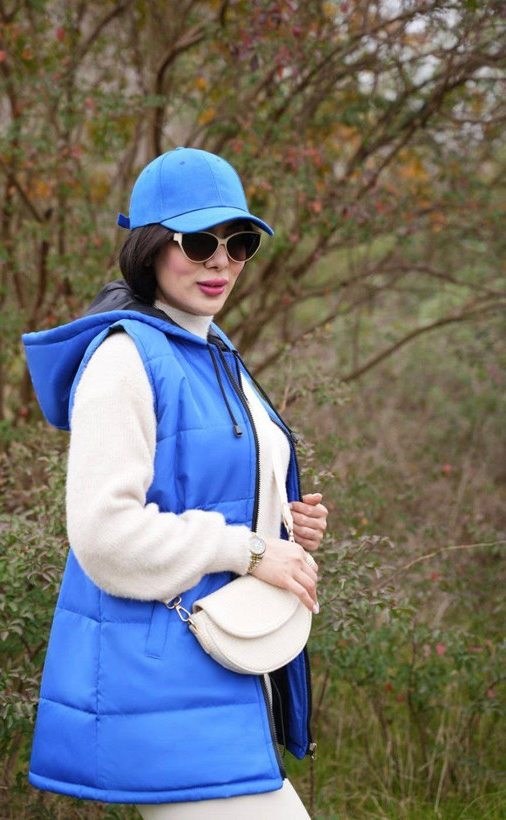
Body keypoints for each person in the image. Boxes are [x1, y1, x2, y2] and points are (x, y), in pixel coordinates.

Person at [22, 147, 328, 819]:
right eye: (198, 242)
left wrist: (286, 524)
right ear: (151, 247)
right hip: (159, 683)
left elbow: (215, 495)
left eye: (239, 243)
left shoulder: (214, 351)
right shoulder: (124, 359)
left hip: (223, 674)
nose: (221, 262)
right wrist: (252, 550)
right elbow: (105, 534)